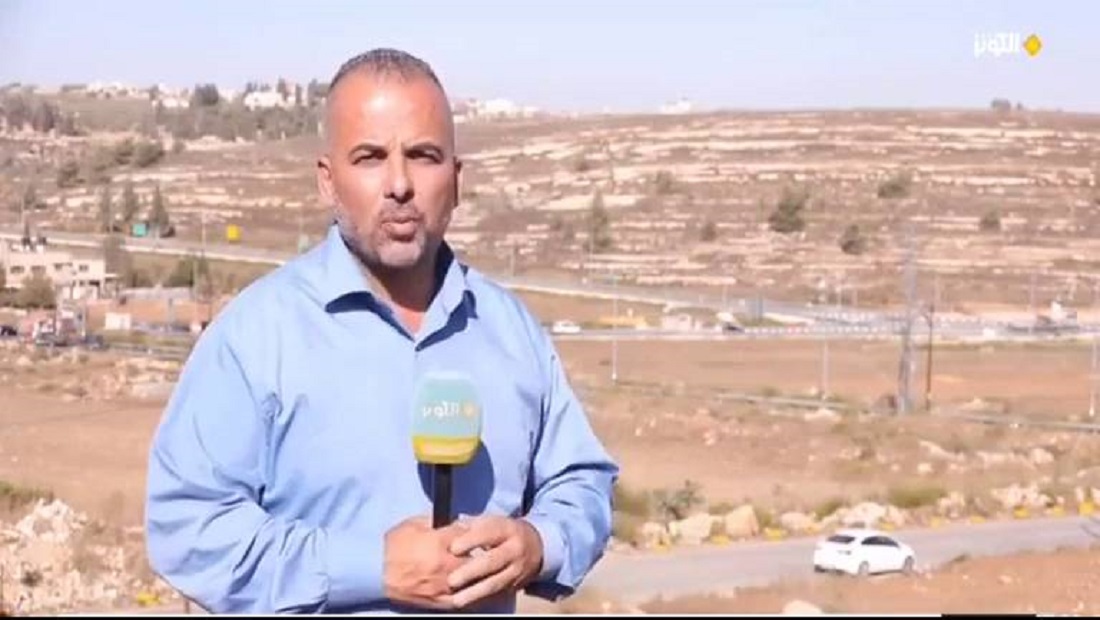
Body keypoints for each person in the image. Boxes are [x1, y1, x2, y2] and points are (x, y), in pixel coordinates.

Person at [144, 48, 619, 614]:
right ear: (328, 181)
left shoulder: (512, 332)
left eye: (423, 156)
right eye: (370, 157)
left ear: (456, 179)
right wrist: (370, 568)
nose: (399, 184)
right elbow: (188, 529)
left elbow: (582, 483)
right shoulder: (256, 338)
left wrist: (540, 544)